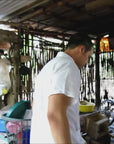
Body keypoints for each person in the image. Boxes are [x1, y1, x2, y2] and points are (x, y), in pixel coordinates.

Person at [30, 33, 93, 144]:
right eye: (88, 57)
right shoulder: (68, 67)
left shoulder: (49, 66)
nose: (86, 61)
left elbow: (34, 105)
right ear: (82, 49)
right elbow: (55, 113)